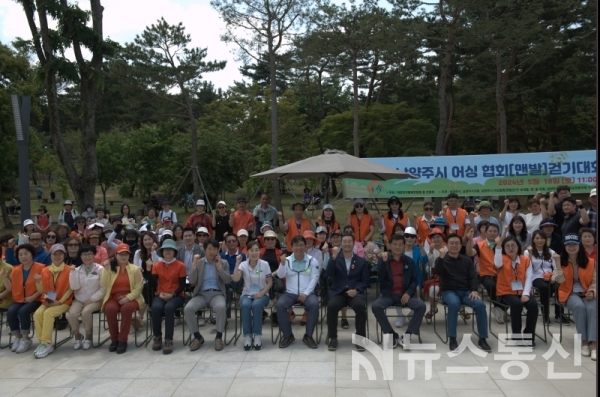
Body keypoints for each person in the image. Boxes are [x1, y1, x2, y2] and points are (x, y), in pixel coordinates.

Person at [435, 231, 491, 352]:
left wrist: (474, 290)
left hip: (466, 292)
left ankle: (483, 338)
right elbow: (438, 272)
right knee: (454, 304)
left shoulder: (467, 260)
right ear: (447, 245)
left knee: (480, 305)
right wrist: (441, 258)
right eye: (451, 243)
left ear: (461, 245)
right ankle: (453, 338)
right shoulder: (442, 259)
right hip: (449, 292)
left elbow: (473, 277)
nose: (454, 245)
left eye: (457, 243)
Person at [372, 234, 426, 349]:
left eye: (400, 244)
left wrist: (408, 293)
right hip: (388, 294)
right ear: (390, 245)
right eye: (395, 244)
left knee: (421, 306)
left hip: (405, 294)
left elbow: (414, 280)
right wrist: (384, 262)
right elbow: (380, 279)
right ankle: (391, 334)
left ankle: (407, 336)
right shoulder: (384, 259)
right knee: (376, 306)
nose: (397, 247)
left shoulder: (409, 261)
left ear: (404, 246)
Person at [184, 239, 231, 351]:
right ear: (204, 250)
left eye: (214, 249)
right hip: (201, 294)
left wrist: (219, 268)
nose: (212, 251)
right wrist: (194, 266)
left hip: (217, 293)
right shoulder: (199, 262)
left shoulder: (223, 262)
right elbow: (191, 280)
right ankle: (197, 337)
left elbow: (227, 280)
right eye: (209, 249)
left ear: (218, 250)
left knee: (221, 307)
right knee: (188, 308)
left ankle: (219, 336)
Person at [556, 233, 596, 361]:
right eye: (568, 245)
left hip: (587, 292)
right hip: (568, 292)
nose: (571, 247)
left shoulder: (590, 262)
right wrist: (557, 265)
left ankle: (594, 345)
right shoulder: (560, 261)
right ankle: (584, 342)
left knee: (592, 308)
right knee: (579, 307)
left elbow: (595, 281)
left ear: (579, 246)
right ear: (565, 247)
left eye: (574, 244)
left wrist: (592, 292)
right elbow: (559, 280)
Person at [325, 233, 369, 351]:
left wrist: (357, 290)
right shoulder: (335, 258)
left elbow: (365, 281)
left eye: (349, 241)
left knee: (360, 306)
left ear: (354, 243)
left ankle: (360, 338)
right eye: (344, 242)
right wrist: (333, 259)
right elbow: (328, 274)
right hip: (339, 292)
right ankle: (333, 337)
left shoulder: (361, 261)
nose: (347, 244)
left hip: (355, 292)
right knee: (332, 306)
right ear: (341, 244)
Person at [494, 235, 538, 347]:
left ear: (518, 247)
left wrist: (526, 294)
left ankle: (529, 335)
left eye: (513, 245)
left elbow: (529, 278)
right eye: (507, 246)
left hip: (523, 291)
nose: (510, 248)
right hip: (506, 291)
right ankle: (517, 335)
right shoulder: (501, 258)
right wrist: (498, 247)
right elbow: (497, 264)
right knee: (516, 305)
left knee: (533, 305)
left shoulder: (525, 260)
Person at [276, 236, 320, 349]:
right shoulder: (287, 261)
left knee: (315, 304)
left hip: (308, 292)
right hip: (290, 292)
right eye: (296, 245)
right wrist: (282, 264)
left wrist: (306, 293)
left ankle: (308, 336)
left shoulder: (312, 261)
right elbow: (280, 275)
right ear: (292, 247)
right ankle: (287, 335)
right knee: (280, 305)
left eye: (301, 245)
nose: (298, 247)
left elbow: (314, 278)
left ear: (305, 246)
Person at [101, 243, 145, 354]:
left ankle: (122, 339)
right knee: (109, 309)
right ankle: (114, 339)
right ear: (116, 255)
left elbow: (139, 286)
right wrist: (106, 270)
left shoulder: (135, 269)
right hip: (114, 296)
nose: (123, 256)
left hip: (132, 296)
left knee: (126, 309)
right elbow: (104, 284)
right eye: (121, 254)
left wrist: (128, 298)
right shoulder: (110, 268)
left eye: (126, 254)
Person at [32, 244, 73, 358]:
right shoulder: (45, 270)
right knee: (38, 314)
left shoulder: (70, 269)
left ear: (64, 255)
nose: (57, 256)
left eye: (60, 253)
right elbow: (42, 290)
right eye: (55, 254)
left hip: (64, 302)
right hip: (49, 300)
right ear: (51, 255)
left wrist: (60, 302)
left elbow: (71, 289)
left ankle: (46, 342)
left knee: (48, 313)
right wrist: (38, 282)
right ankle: (42, 342)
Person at [232, 240, 273, 350]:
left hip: (262, 294)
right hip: (247, 294)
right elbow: (236, 279)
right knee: (245, 305)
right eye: (251, 250)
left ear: (260, 251)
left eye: (256, 250)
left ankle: (257, 334)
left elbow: (270, 282)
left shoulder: (264, 264)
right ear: (247, 252)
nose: (254, 253)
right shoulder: (243, 265)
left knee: (256, 305)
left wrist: (261, 293)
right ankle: (248, 336)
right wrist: (237, 263)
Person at [148, 239, 187, 355]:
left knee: (169, 308)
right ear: (162, 252)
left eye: (171, 250)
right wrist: (148, 270)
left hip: (176, 295)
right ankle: (157, 337)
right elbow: (152, 284)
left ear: (175, 252)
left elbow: (183, 285)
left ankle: (168, 339)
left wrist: (172, 295)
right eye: (166, 250)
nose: (168, 252)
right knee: (156, 307)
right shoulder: (157, 265)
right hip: (160, 294)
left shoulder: (180, 265)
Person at [66, 244, 105, 350]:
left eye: (89, 254)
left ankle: (88, 337)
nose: (87, 257)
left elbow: (103, 288)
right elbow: (74, 287)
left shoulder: (100, 269)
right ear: (80, 256)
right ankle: (78, 336)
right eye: (84, 254)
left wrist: (92, 299)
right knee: (71, 314)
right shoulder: (76, 270)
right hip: (79, 299)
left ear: (94, 255)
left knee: (86, 312)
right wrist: (72, 272)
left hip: (96, 299)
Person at [6, 244, 44, 353]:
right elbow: (11, 287)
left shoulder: (41, 268)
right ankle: (17, 337)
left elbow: (45, 287)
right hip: (20, 299)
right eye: (20, 254)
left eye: (26, 254)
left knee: (23, 311)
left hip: (36, 299)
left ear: (32, 254)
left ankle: (26, 338)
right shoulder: (15, 270)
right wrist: (4, 277)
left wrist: (33, 296)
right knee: (11, 311)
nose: (23, 257)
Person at [467, 222, 505, 324]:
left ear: (498, 233)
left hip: (503, 273)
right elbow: (470, 253)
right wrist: (470, 240)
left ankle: (501, 308)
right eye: (490, 231)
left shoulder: (504, 244)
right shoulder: (479, 245)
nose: (492, 233)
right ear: (485, 232)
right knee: (491, 285)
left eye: (495, 231)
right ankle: (498, 307)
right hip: (487, 274)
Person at [525, 230, 564, 325]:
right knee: (544, 287)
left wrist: (554, 275)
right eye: (537, 238)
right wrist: (530, 254)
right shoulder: (527, 252)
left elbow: (555, 266)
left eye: (542, 238)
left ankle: (559, 314)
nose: (540, 240)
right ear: (533, 240)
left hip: (549, 275)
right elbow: (528, 267)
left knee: (559, 285)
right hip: (535, 276)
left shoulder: (551, 252)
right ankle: (545, 316)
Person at [424, 228, 445, 320]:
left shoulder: (447, 249)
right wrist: (431, 252)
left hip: (450, 275)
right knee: (433, 289)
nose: (436, 239)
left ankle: (461, 308)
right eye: (433, 238)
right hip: (436, 276)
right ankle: (433, 308)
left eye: (438, 237)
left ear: (442, 238)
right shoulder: (430, 252)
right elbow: (431, 264)